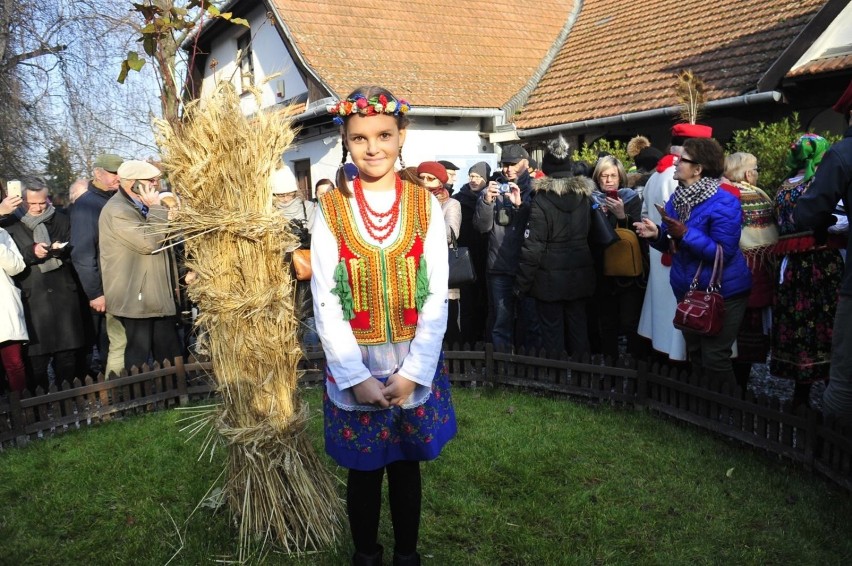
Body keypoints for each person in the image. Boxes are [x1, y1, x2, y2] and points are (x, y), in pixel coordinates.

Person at [314, 86, 456, 566]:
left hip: (411, 359)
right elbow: (326, 299)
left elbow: (436, 295)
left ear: (402, 136)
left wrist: (416, 371)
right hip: (355, 359)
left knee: (407, 466)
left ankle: (407, 556)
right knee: (364, 470)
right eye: (359, 138)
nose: (372, 147)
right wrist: (353, 376)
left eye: (383, 135)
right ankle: (366, 555)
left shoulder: (423, 206)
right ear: (346, 142)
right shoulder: (332, 209)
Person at [634, 137, 752, 384]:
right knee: (696, 354)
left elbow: (722, 253)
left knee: (715, 357)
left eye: (682, 159)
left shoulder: (724, 202)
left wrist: (685, 234)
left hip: (723, 291)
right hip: (689, 290)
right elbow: (675, 245)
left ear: (698, 169)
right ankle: (704, 411)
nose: (675, 162)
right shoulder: (679, 198)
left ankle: (729, 415)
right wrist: (657, 235)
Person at [771, 134, 844, 409]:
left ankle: (800, 392)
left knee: (798, 323)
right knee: (826, 323)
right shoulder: (818, 183)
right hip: (820, 263)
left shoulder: (783, 187)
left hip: (790, 267)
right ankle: (831, 387)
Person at [795, 81, 852, 425]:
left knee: (844, 377)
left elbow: (810, 212)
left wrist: (824, 222)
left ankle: (834, 456)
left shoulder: (844, 153)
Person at [637, 124, 713, 363]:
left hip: (661, 254)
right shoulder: (679, 175)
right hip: (679, 255)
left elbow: (645, 213)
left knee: (662, 316)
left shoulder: (657, 174)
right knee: (679, 315)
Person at [5, 178, 88, 390]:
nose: (37, 207)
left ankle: (67, 400)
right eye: (31, 203)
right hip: (32, 295)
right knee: (36, 360)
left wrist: (61, 249)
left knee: (67, 356)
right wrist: (31, 252)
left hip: (63, 294)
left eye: (42, 202)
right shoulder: (10, 223)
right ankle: (40, 405)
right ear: (21, 200)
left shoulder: (61, 219)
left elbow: (76, 247)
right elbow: (10, 257)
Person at [99, 160, 182, 372]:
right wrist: (156, 209)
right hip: (136, 294)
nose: (156, 184)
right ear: (133, 184)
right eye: (151, 181)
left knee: (169, 349)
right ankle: (136, 400)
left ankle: (174, 395)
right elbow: (148, 243)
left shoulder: (140, 206)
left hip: (155, 293)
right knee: (138, 354)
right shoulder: (118, 210)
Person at [515, 135, 594, 357]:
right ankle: (583, 375)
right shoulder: (585, 196)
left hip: (549, 278)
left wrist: (521, 283)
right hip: (581, 272)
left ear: (547, 168)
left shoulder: (541, 199)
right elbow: (594, 235)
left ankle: (557, 379)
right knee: (579, 328)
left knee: (552, 331)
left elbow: (533, 246)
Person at [474, 144, 539, 351]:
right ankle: (502, 370)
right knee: (501, 321)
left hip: (527, 266)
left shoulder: (536, 189)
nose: (508, 169)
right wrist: (486, 201)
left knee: (531, 321)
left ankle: (530, 368)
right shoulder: (492, 189)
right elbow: (481, 227)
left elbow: (538, 227)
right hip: (499, 266)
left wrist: (520, 206)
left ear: (526, 164)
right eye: (504, 164)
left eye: (513, 164)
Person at [724, 152, 779, 389]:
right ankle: (740, 386)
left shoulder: (721, 192)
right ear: (748, 173)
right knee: (748, 338)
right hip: (754, 277)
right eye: (756, 169)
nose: (756, 173)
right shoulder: (759, 196)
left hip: (727, 274)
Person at [70, 153, 125, 377]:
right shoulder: (87, 206)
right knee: (109, 342)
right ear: (97, 173)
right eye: (113, 173)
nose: (117, 178)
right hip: (104, 287)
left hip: (117, 283)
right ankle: (115, 390)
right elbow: (83, 253)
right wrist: (95, 292)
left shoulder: (111, 198)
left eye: (120, 174)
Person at [589, 154, 645, 360]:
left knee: (630, 320)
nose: (609, 180)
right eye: (604, 175)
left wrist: (622, 216)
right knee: (606, 321)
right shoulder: (591, 199)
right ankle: (610, 362)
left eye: (613, 175)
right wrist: (599, 217)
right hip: (601, 268)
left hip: (626, 270)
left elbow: (638, 234)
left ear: (620, 177)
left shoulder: (630, 198)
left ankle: (635, 363)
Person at [271, 164, 318, 348]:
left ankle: (312, 355)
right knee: (284, 314)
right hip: (279, 270)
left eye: (289, 194)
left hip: (305, 271)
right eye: (280, 195)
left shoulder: (309, 208)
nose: (285, 199)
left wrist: (304, 238)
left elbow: (319, 237)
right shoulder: (269, 214)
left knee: (308, 314)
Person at [417, 161, 462, 344]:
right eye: (422, 178)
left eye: (430, 178)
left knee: (445, 320)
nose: (425, 182)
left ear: (440, 181)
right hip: (417, 270)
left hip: (440, 268)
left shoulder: (451, 204)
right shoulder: (412, 201)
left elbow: (451, 234)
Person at [452, 162, 490, 344]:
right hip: (467, 258)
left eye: (478, 176)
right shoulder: (459, 198)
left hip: (488, 258)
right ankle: (468, 344)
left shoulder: (493, 197)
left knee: (487, 303)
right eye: (471, 176)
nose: (474, 180)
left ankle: (485, 343)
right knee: (467, 304)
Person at [0, 226, 27, 393]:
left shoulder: (1, 233)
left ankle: (23, 412)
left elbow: (17, 267)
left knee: (15, 364)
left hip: (4, 311)